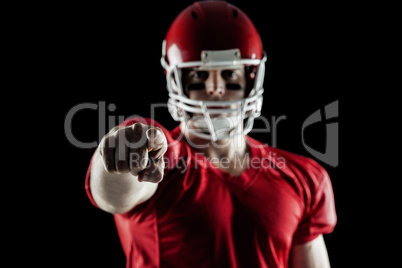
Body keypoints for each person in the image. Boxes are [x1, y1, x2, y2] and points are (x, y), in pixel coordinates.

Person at [85, 1, 337, 267]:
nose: (215, 88)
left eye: (229, 74)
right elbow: (110, 195)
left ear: (251, 78)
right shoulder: (162, 157)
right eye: (199, 75)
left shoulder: (303, 177)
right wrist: (120, 154)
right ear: (176, 81)